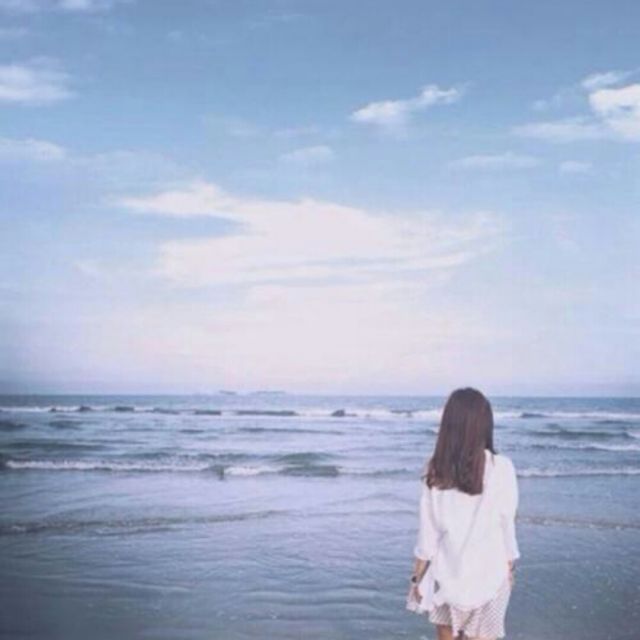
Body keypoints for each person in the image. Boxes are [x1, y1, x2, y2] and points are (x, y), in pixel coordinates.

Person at [406, 388, 521, 640]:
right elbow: (506, 524)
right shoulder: (502, 468)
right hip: (491, 576)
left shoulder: (436, 469)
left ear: (449, 425)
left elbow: (428, 536)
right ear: (485, 425)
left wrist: (417, 577)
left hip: (447, 577)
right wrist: (510, 566)